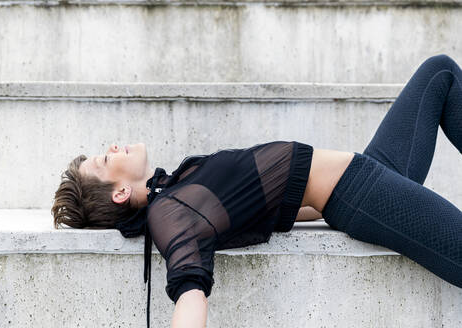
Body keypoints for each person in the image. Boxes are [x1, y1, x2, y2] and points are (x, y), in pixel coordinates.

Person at [51, 54, 462, 328]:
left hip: (370, 174)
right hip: (362, 192)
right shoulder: (168, 214)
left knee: (439, 73)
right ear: (120, 193)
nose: (112, 149)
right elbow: (189, 291)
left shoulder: (177, 187)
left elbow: (266, 201)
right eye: (105, 161)